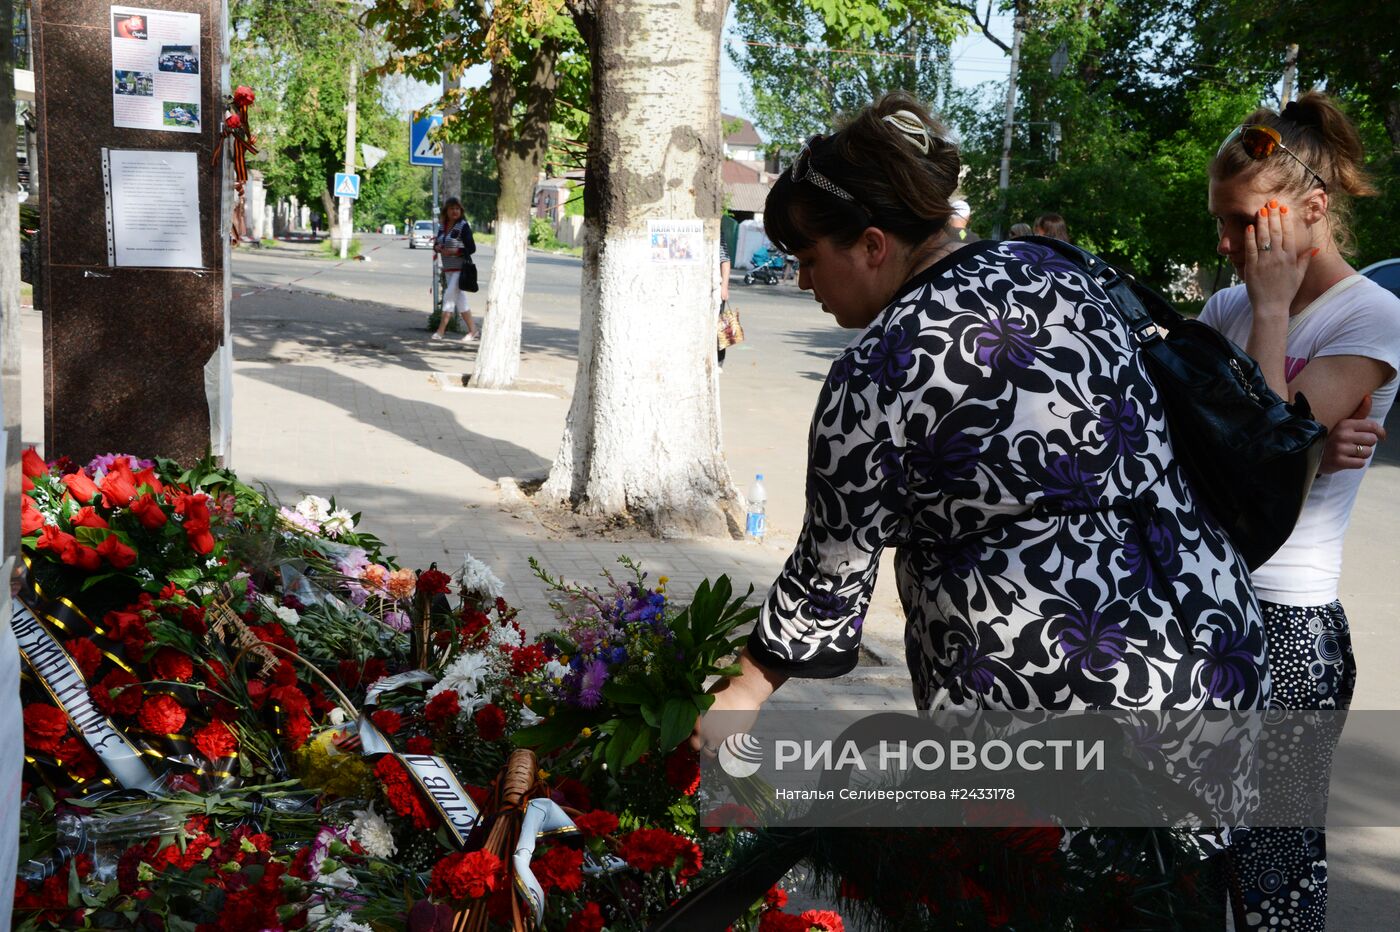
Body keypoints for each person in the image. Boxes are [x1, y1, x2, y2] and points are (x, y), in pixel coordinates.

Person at [691, 94, 1268, 785]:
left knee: (1057, 888)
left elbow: (831, 572)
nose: (803, 280)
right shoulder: (1057, 267)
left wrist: (746, 688)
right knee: (1175, 888)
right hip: (1212, 649)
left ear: (873, 245)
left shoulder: (879, 367)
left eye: (810, 258)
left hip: (1058, 698)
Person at [1201, 92, 1400, 931]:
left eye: (1246, 224)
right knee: (1181, 863)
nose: (1227, 244)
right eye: (1221, 223)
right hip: (1203, 613)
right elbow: (1184, 459)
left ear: (1312, 209)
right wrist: (1299, 435)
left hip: (1288, 628)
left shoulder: (1372, 315)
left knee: (1274, 877)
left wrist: (1277, 313)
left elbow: (1255, 461)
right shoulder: (1223, 307)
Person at [431, 197, 479, 342]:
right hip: (448, 270)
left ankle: (440, 331)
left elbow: (471, 248)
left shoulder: (463, 226)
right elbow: (437, 243)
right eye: (452, 208)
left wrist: (455, 252)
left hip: (460, 269)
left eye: (457, 209)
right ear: (446, 210)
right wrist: (437, 247)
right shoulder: (442, 226)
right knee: (461, 302)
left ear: (461, 211)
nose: (455, 211)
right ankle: (473, 331)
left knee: (448, 297)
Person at [718, 239, 731, 368]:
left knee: (720, 325)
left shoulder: (717, 230)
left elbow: (725, 260)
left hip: (716, 289)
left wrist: (724, 287)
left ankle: (719, 359)